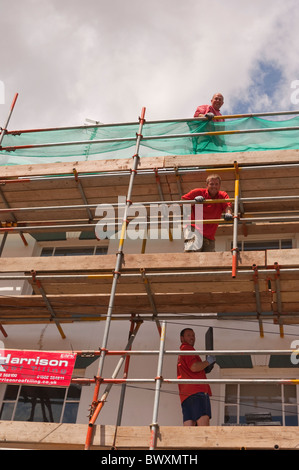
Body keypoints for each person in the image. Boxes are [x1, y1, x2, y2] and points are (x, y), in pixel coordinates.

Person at [182, 174, 233, 252]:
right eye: (211, 184)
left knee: (209, 259)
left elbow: (227, 207)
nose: (214, 186)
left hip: (209, 234)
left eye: (216, 184)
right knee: (192, 252)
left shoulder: (223, 196)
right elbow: (183, 203)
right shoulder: (198, 192)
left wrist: (228, 214)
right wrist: (194, 201)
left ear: (220, 185)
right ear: (207, 185)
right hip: (194, 228)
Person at [177, 328, 216, 426]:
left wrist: (205, 367)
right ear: (182, 338)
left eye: (193, 335)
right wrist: (208, 362)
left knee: (189, 427)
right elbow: (194, 367)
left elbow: (193, 369)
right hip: (198, 392)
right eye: (189, 335)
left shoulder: (182, 352)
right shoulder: (187, 349)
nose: (192, 338)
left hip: (186, 395)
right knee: (203, 427)